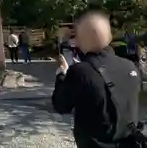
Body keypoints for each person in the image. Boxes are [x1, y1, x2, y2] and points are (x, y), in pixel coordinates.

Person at [52, 10, 144, 148]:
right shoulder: (130, 66)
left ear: (80, 39)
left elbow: (60, 106)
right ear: (110, 35)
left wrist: (61, 75)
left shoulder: (80, 71)